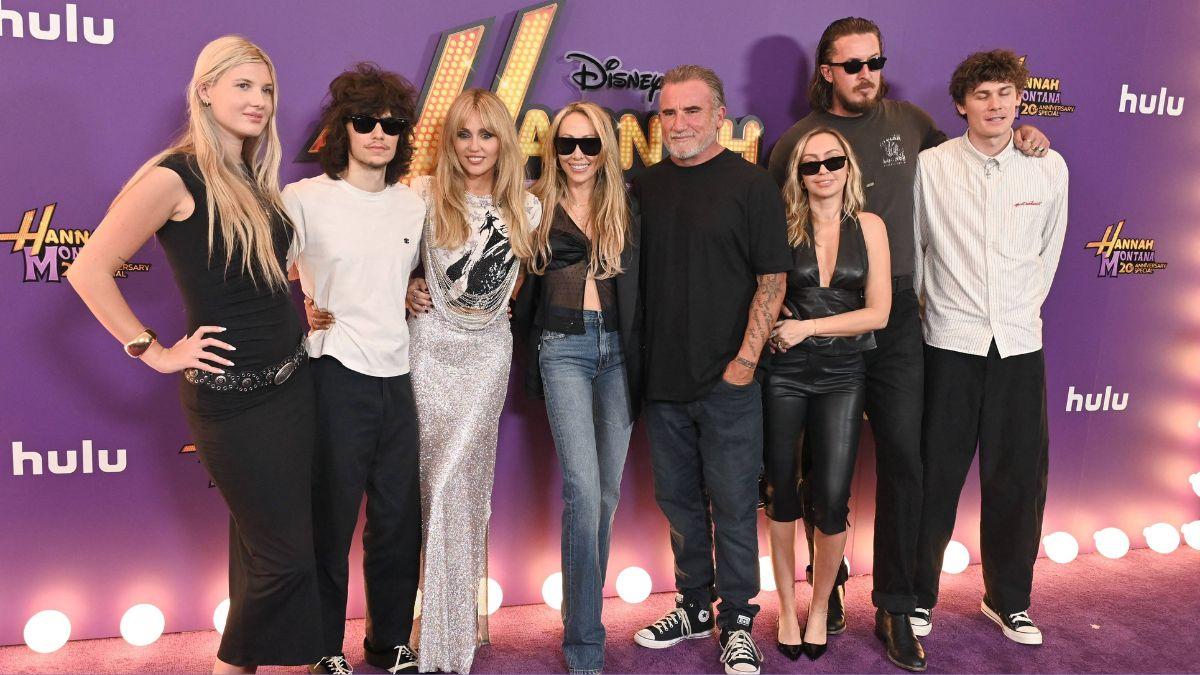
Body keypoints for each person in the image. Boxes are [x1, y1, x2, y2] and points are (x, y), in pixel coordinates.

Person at [767, 17, 1051, 671]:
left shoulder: (914, 125)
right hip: (820, 315)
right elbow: (771, 237)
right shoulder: (795, 143)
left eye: (875, 62)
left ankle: (895, 603)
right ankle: (826, 585)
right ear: (827, 72)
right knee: (819, 466)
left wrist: (1024, 136)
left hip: (897, 321)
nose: (867, 74)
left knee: (906, 461)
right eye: (853, 65)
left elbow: (976, 155)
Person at [66, 36, 321, 673]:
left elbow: (248, 275)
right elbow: (89, 269)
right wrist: (150, 351)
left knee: (261, 551)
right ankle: (228, 667)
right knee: (285, 557)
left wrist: (305, 298)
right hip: (232, 402)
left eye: (266, 90)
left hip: (292, 386)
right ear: (204, 91)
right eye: (243, 86)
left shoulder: (253, 181)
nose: (258, 100)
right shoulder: (173, 176)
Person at [630, 65, 791, 675]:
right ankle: (694, 606)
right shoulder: (642, 187)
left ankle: (738, 620)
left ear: (719, 115)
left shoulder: (751, 185)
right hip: (662, 384)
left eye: (691, 111)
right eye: (668, 113)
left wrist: (745, 363)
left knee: (730, 502)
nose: (679, 124)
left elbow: (771, 280)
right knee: (677, 503)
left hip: (729, 383)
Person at [911, 49, 1068, 647]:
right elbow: (920, 251)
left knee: (1017, 479)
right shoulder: (931, 167)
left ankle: (1009, 600)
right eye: (982, 95)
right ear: (961, 105)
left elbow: (1048, 255)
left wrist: (1019, 313)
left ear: (1020, 98)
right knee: (934, 477)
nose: (995, 104)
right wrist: (942, 317)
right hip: (949, 342)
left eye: (1005, 93)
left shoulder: (1048, 167)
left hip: (1020, 346)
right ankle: (918, 598)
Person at [284, 63, 423, 675]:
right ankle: (322, 649)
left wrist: (414, 289)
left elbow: (415, 273)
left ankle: (389, 640)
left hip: (399, 374)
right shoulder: (303, 198)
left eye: (391, 124)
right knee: (331, 521)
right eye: (364, 121)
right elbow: (266, 276)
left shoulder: (412, 202)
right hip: (333, 371)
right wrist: (301, 312)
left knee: (397, 521)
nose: (378, 134)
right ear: (343, 129)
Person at [403, 88, 541, 674]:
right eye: (464, 134)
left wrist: (495, 306)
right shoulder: (422, 195)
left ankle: (454, 628)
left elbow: (510, 288)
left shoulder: (528, 209)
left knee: (465, 487)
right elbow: (381, 263)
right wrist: (402, 290)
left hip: (486, 358)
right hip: (428, 352)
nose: (476, 146)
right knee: (430, 489)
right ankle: (421, 625)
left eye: (487, 134)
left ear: (504, 141)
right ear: (449, 140)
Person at [512, 101, 640, 674]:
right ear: (553, 150)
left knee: (607, 496)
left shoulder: (629, 203)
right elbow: (489, 261)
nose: (579, 155)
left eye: (590, 144)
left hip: (618, 351)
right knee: (584, 493)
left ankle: (584, 615)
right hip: (561, 347)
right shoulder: (534, 205)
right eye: (567, 144)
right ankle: (585, 640)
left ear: (606, 148)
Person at [763, 127, 890, 662]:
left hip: (842, 374)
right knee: (783, 495)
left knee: (833, 498)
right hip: (784, 371)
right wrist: (777, 319)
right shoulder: (781, 223)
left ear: (848, 165)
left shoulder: (870, 226)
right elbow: (762, 290)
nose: (822, 172)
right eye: (810, 164)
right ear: (798, 173)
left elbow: (879, 312)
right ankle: (788, 609)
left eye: (831, 161)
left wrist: (810, 327)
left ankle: (822, 605)